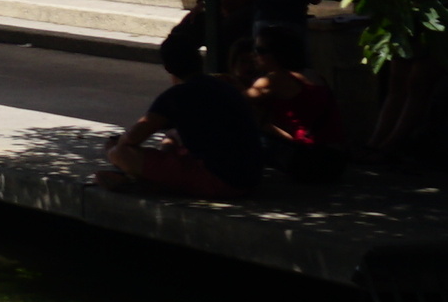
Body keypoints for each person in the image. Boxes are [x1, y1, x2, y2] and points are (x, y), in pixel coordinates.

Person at [103, 47, 265, 199]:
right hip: (250, 178)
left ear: (168, 68)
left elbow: (133, 137)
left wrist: (114, 148)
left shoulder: (177, 95)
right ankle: (159, 179)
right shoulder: (224, 85)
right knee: (172, 135)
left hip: (221, 181)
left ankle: (156, 183)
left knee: (121, 153)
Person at [247, 24, 341, 179]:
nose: (254, 55)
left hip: (309, 161)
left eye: (260, 50)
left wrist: (231, 82)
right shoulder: (313, 75)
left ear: (277, 54)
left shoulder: (274, 79)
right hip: (336, 160)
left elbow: (235, 101)